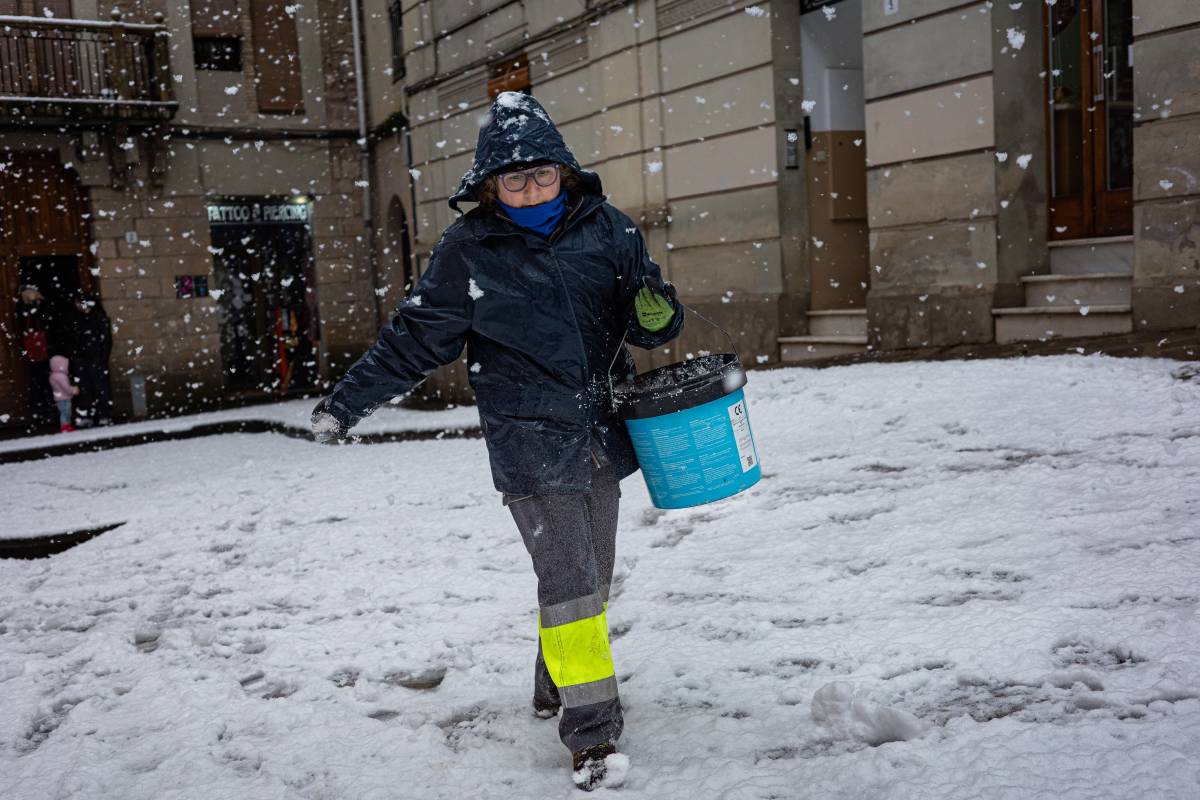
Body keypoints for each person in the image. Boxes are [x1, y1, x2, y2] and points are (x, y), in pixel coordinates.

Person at [311, 91, 683, 790]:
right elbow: (414, 341)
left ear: (563, 173)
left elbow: (649, 315)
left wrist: (660, 316)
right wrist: (345, 403)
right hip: (528, 438)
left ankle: (554, 686)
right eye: (513, 179)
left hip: (600, 428)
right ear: (490, 187)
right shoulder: (469, 251)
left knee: (589, 580)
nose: (530, 188)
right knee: (571, 584)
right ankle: (593, 735)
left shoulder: (607, 230)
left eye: (541, 174)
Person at [70, 290, 114, 425]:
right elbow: (74, 339)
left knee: (100, 387)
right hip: (82, 359)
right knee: (85, 388)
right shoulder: (77, 319)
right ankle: (87, 415)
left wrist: (101, 357)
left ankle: (104, 415)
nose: (77, 306)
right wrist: (76, 356)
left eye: (79, 303)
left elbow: (106, 340)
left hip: (96, 359)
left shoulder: (98, 317)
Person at [16, 285, 55, 427]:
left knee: (47, 381)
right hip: (33, 353)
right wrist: (29, 305)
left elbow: (45, 320)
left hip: (46, 351)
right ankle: (39, 413)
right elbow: (23, 322)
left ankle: (49, 412)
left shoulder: (44, 305)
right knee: (37, 383)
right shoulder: (22, 308)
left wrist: (36, 304)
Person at [48, 355, 79, 433]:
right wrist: (73, 390)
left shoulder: (53, 376)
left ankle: (66, 426)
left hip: (59, 398)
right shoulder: (61, 376)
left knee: (64, 412)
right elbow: (66, 387)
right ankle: (65, 426)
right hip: (64, 397)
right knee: (66, 412)